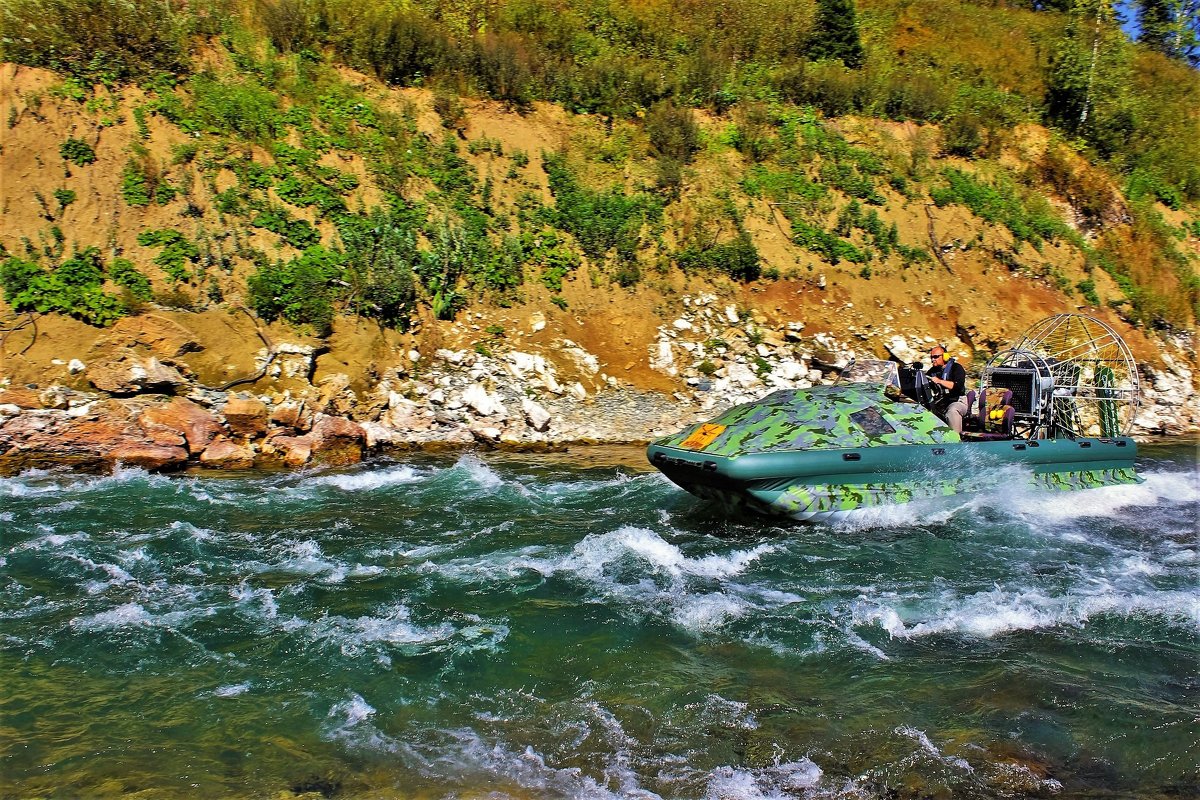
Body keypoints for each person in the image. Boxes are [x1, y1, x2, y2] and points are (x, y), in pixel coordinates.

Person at [926, 345, 969, 433]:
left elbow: (957, 386)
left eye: (936, 357)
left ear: (945, 356)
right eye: (931, 357)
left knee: (952, 411)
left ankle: (956, 440)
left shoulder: (956, 368)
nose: (932, 359)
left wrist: (939, 381)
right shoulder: (932, 372)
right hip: (940, 403)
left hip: (957, 401)